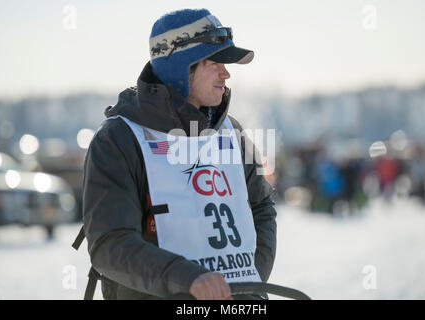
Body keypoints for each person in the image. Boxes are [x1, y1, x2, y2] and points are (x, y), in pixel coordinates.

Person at [73, 8, 277, 300]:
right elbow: (110, 243)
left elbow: (263, 208)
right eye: (216, 61)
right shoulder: (119, 139)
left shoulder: (233, 132)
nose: (227, 72)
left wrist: (249, 281)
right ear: (182, 67)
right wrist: (186, 279)